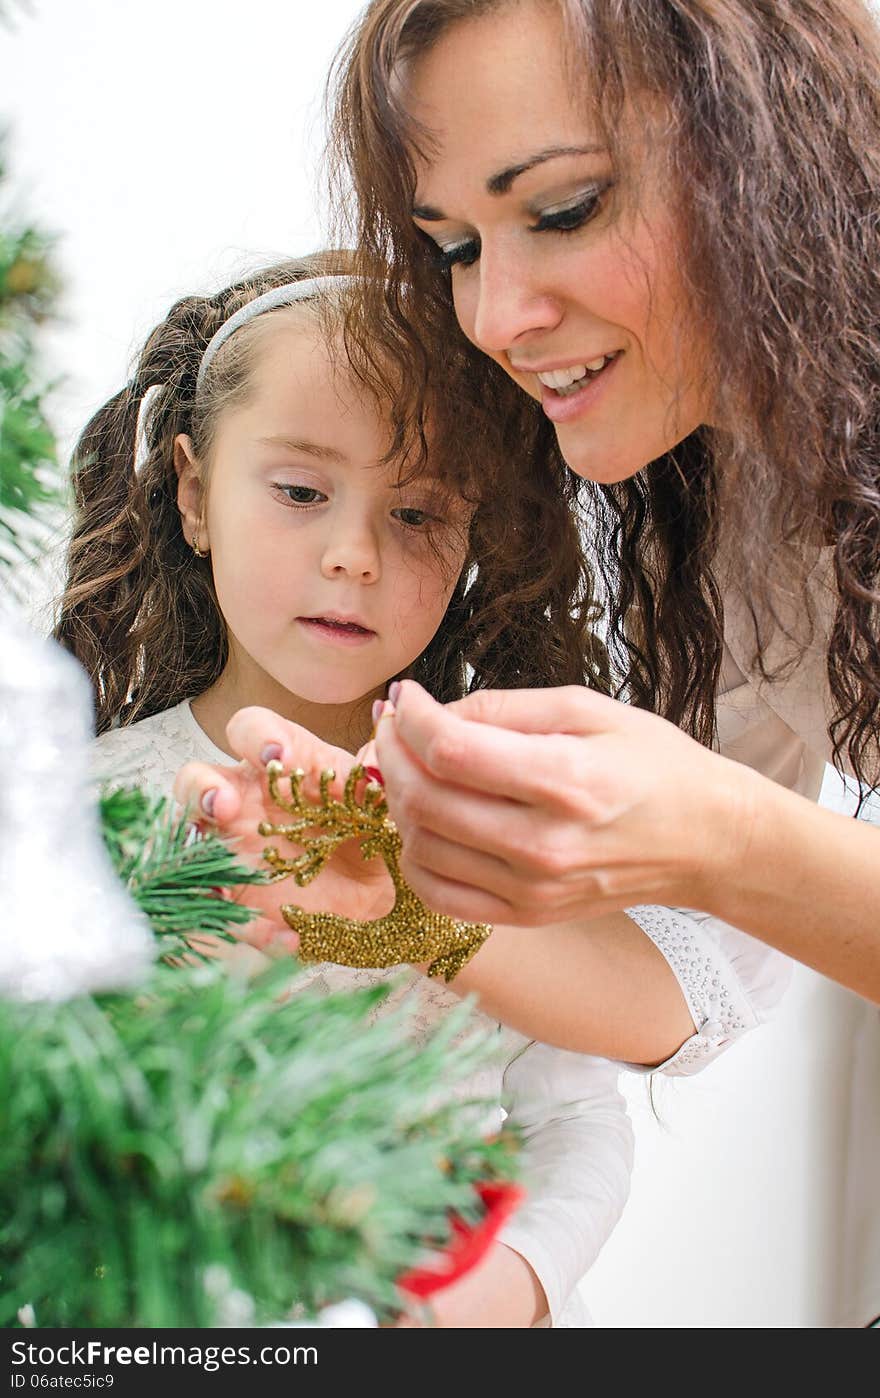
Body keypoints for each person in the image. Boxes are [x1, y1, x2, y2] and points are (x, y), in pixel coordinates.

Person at [55, 253, 659, 1327]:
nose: (352, 557)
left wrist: (494, 1297)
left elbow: (571, 1120)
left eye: (418, 513)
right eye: (299, 492)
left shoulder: (506, 807)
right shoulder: (75, 813)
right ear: (195, 491)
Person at [304, 0, 880, 1007]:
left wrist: (721, 834)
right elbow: (699, 979)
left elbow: (733, 875)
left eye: (564, 210)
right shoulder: (714, 499)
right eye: (456, 251)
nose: (496, 318)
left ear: (776, 152)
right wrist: (386, 905)